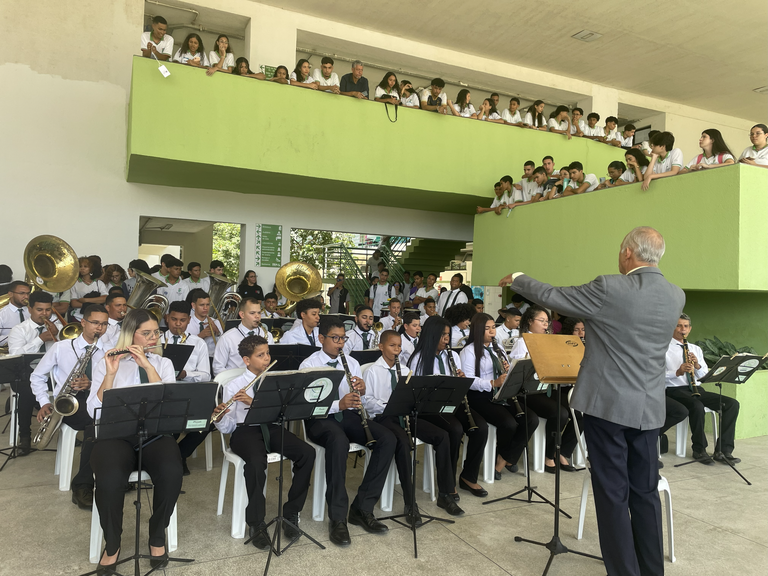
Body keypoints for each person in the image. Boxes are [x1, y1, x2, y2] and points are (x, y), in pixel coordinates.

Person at [500, 226, 684, 576]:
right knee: (644, 494)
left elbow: (555, 296)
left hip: (610, 408)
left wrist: (520, 279)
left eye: (620, 251)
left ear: (628, 252)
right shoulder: (676, 295)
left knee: (612, 494)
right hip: (649, 410)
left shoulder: (610, 287)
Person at [87, 309, 181, 571]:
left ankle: (157, 533)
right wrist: (110, 374)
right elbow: (92, 409)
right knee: (108, 480)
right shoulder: (105, 361)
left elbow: (168, 404)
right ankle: (113, 542)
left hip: (153, 434)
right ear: (131, 334)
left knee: (172, 472)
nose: (154, 337)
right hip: (115, 435)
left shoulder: (162, 363)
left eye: (156, 332)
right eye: (146, 333)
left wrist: (148, 366)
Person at [300, 316, 396, 545]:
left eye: (343, 338)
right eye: (335, 338)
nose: (340, 343)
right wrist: (338, 404)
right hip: (320, 418)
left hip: (349, 416)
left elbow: (356, 397)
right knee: (339, 442)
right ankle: (338, 517)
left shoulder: (351, 363)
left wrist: (360, 390)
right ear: (321, 338)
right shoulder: (308, 365)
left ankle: (362, 508)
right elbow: (308, 405)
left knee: (387, 439)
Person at [212, 335, 315, 547]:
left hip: (271, 427)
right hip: (244, 431)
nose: (267, 359)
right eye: (260, 355)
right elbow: (230, 426)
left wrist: (255, 403)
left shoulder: (277, 381)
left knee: (307, 453)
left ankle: (291, 513)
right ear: (246, 360)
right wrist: (220, 418)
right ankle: (256, 522)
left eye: (267, 353)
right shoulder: (233, 386)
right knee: (257, 463)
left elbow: (282, 414)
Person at [364, 330, 458, 524]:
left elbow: (415, 398)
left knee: (442, 436)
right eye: (392, 346)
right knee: (404, 443)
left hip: (406, 415)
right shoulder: (373, 371)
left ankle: (445, 493)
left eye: (399, 346)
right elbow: (367, 402)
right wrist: (391, 406)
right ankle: (410, 502)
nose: (397, 350)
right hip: (384, 417)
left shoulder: (406, 371)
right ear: (381, 347)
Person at [408, 316, 489, 513]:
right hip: (430, 408)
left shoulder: (451, 355)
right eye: (443, 335)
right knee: (455, 429)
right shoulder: (418, 359)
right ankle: (448, 482)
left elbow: (457, 387)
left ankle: (468, 477)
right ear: (432, 336)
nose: (446, 339)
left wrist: (460, 380)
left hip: (451, 403)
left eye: (448, 335)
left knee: (480, 427)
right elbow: (416, 393)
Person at [30, 304, 108, 506]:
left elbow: (112, 381)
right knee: (96, 425)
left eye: (104, 324)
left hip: (96, 398)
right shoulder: (61, 347)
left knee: (113, 421)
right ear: (83, 323)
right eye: (95, 323)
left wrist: (90, 383)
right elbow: (37, 376)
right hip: (69, 402)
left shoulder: (108, 351)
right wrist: (44, 402)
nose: (99, 328)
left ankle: (110, 476)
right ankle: (82, 485)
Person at [461, 314, 539, 479]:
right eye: (487, 328)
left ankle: (504, 458)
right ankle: (503, 459)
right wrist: (492, 383)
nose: (492, 332)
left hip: (501, 392)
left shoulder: (498, 349)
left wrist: (509, 370)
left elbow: (509, 371)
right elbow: (468, 380)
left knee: (530, 419)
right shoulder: (468, 351)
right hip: (480, 396)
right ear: (477, 330)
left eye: (493, 328)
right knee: (509, 423)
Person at [508, 305, 581, 472]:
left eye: (547, 322)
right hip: (529, 391)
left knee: (579, 410)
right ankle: (549, 456)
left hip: (547, 389)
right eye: (541, 321)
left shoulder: (549, 340)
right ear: (529, 322)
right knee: (560, 413)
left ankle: (563, 451)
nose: (545, 325)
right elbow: (520, 372)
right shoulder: (522, 342)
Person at [665, 314, 741, 464]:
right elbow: (656, 376)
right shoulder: (664, 348)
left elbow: (705, 376)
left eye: (686, 326)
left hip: (696, 389)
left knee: (732, 404)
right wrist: (678, 372)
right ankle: (699, 450)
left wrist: (697, 365)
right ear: (672, 327)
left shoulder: (695, 349)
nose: (683, 329)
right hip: (674, 390)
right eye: (679, 325)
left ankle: (723, 451)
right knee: (697, 406)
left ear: (690, 329)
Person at [8, 291, 64, 454]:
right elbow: (15, 356)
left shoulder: (58, 328)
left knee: (72, 386)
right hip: (25, 374)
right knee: (26, 390)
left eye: (48, 310)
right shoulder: (19, 330)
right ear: (30, 309)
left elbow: (69, 352)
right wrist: (40, 339)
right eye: (40, 310)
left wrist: (58, 336)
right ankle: (25, 437)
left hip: (51, 375)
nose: (44, 314)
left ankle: (69, 429)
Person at [212, 297, 273, 374]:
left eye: (259, 312)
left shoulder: (267, 335)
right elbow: (218, 368)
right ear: (242, 314)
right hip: (236, 382)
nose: (257, 316)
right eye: (252, 313)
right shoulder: (227, 338)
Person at [185, 289, 222, 357]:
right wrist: (200, 336)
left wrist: (217, 331)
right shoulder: (187, 323)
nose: (205, 308)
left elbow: (223, 346)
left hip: (211, 358)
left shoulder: (216, 322)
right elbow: (184, 345)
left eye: (207, 305)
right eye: (202, 305)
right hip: (193, 358)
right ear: (193, 305)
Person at [0, 280, 31, 347]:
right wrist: (15, 336)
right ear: (10, 294)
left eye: (28, 293)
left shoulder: (32, 311)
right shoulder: (2, 314)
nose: (26, 297)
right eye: (22, 293)